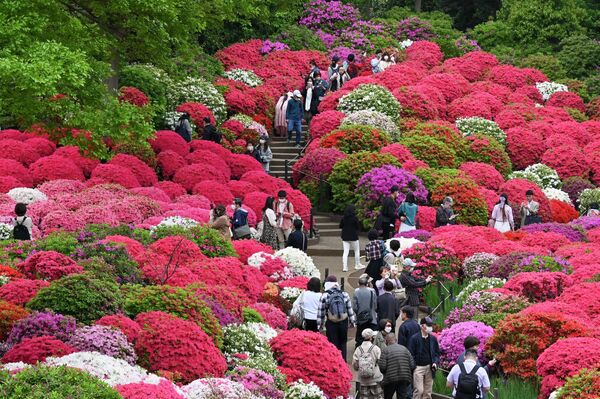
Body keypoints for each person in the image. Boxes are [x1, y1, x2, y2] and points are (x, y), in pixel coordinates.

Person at [318, 275, 356, 361]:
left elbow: (321, 312)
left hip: (331, 322)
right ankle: (343, 362)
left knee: (333, 343)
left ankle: (335, 362)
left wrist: (320, 325)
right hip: (343, 321)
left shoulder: (325, 295)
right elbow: (349, 309)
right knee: (343, 342)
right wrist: (352, 322)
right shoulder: (344, 294)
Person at [408, 317, 440, 399]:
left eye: (430, 325)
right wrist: (414, 366)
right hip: (418, 367)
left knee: (428, 392)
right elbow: (410, 354)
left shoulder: (433, 339)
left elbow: (437, 353)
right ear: (422, 326)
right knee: (419, 390)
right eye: (428, 325)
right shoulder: (414, 338)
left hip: (430, 367)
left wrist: (435, 362)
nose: (430, 327)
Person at [380, 333, 416, 399]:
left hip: (390, 379)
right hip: (404, 377)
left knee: (388, 396)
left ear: (386, 341)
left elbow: (382, 367)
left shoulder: (385, 350)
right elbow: (412, 365)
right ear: (396, 340)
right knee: (402, 397)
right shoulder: (405, 349)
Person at [352, 328, 384, 399]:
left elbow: (355, 364)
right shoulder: (376, 348)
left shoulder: (358, 349)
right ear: (371, 338)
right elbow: (381, 362)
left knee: (364, 397)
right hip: (375, 378)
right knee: (378, 397)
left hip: (363, 379)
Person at [353, 274, 378, 347]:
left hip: (361, 317)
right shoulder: (372, 291)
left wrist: (358, 313)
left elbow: (354, 306)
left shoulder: (356, 292)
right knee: (371, 333)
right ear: (367, 284)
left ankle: (360, 348)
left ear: (359, 284)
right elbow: (375, 304)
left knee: (360, 334)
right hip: (371, 316)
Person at [340, 204, 363, 272]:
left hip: (345, 236)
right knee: (356, 250)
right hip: (353, 236)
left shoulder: (344, 218)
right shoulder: (354, 218)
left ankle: (345, 267)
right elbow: (358, 227)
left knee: (345, 252)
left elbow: (340, 226)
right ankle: (357, 264)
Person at [365, 229, 386, 295]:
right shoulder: (381, 243)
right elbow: (384, 252)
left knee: (371, 278)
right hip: (380, 263)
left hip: (373, 264)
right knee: (381, 277)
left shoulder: (367, 246)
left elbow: (367, 258)